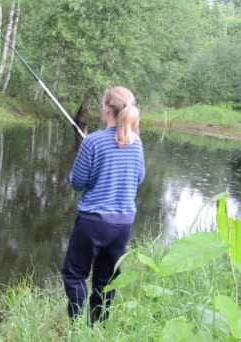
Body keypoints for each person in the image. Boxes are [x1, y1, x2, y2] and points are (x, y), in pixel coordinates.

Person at [62, 86, 145, 323]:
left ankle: (77, 326)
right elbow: (139, 178)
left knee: (74, 274)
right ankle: (98, 325)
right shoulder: (136, 142)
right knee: (106, 277)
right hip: (123, 223)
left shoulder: (93, 142)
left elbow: (77, 182)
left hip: (93, 220)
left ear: (107, 108)